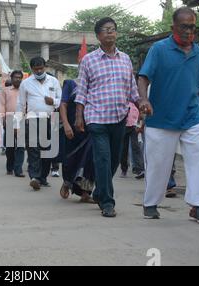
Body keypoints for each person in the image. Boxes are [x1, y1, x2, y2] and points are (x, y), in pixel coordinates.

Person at [138, 7, 199, 224]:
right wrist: (144, 99)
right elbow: (143, 77)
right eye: (184, 26)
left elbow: (195, 85)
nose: (189, 31)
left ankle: (198, 206)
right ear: (173, 27)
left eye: (192, 27)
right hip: (161, 117)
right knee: (159, 164)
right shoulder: (159, 49)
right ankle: (151, 203)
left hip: (193, 116)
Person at [75, 17, 139, 218]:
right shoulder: (89, 60)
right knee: (102, 159)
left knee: (113, 162)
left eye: (113, 29)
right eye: (105, 30)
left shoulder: (125, 59)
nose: (110, 33)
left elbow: (132, 89)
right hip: (96, 118)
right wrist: (79, 116)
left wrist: (141, 104)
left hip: (119, 117)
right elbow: (82, 91)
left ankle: (100, 190)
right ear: (98, 36)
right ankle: (107, 202)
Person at [17, 56, 62, 191]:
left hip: (51, 118)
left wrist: (53, 102)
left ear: (45, 67)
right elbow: (20, 104)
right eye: (36, 69)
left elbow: (61, 100)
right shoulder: (26, 83)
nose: (38, 71)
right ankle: (34, 177)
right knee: (33, 148)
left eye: (41, 68)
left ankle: (43, 177)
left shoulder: (53, 81)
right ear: (31, 69)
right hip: (32, 118)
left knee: (47, 150)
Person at [59, 79, 95, 203]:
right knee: (71, 159)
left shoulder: (97, 83)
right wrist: (66, 125)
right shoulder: (70, 84)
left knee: (89, 161)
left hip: (90, 128)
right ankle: (67, 182)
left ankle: (85, 192)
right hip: (72, 128)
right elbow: (63, 104)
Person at [0, 70, 25, 177]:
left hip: (22, 120)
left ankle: (18, 170)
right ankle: (10, 167)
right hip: (9, 120)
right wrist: (3, 119)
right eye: (16, 77)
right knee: (10, 146)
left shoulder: (25, 90)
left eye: (20, 77)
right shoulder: (5, 91)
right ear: (12, 78)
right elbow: (1, 105)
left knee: (20, 146)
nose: (17, 79)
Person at [120, 102, 145, 179]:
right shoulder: (124, 99)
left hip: (134, 126)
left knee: (135, 146)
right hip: (124, 126)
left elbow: (141, 113)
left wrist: (139, 125)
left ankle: (139, 169)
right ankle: (124, 170)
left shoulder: (136, 100)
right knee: (124, 148)